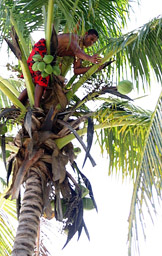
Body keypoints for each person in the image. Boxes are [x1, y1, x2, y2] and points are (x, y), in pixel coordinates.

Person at [18, 29, 102, 108]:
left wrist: (94, 68)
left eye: (94, 42)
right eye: (91, 39)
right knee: (42, 79)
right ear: (86, 34)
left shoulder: (81, 51)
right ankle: (36, 107)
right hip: (43, 48)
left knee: (36, 82)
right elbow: (76, 50)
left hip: (49, 58)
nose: (91, 43)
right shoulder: (74, 38)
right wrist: (90, 58)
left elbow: (77, 70)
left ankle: (17, 105)